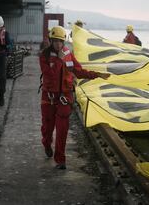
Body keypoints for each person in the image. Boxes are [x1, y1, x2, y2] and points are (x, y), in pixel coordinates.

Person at [39, 26, 110, 169]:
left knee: (62, 129)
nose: (58, 44)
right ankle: (47, 144)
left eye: (60, 42)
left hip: (64, 98)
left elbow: (79, 71)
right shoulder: (44, 57)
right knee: (47, 128)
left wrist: (97, 74)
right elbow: (49, 74)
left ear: (64, 41)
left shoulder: (68, 54)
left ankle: (60, 160)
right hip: (49, 98)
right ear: (51, 41)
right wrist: (58, 61)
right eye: (55, 41)